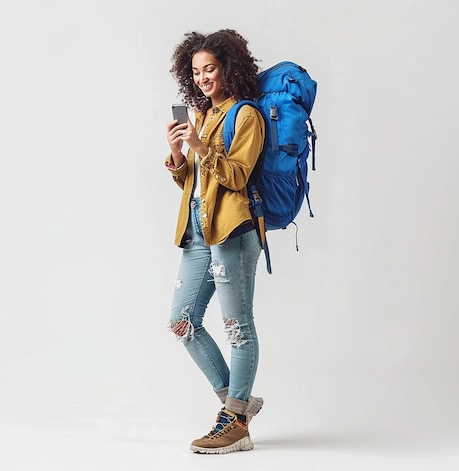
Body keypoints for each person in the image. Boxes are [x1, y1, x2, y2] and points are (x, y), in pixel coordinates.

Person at [164, 29, 266, 454]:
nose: (203, 77)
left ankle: (236, 422)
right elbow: (196, 182)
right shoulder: (202, 115)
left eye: (210, 68)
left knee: (237, 328)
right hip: (199, 235)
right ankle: (237, 403)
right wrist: (178, 158)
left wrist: (202, 146)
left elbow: (237, 177)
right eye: (196, 71)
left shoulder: (247, 116)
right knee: (182, 322)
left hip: (233, 234)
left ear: (228, 67)